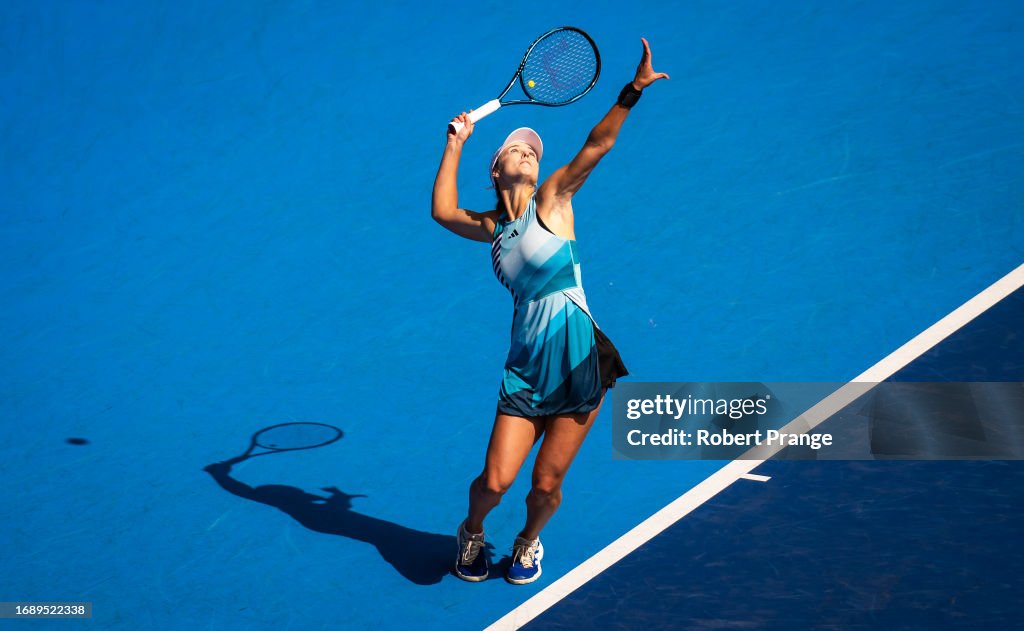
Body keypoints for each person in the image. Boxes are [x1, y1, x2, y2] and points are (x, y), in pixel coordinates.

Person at [431, 38, 669, 584]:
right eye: (518, 149)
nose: (530, 153)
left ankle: (528, 542)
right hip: (525, 369)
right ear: (496, 171)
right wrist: (456, 142)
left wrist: (631, 92)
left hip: (580, 362)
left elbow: (597, 145)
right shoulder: (492, 228)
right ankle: (472, 532)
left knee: (545, 485)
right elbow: (443, 210)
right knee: (494, 483)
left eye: (535, 151)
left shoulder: (554, 201)